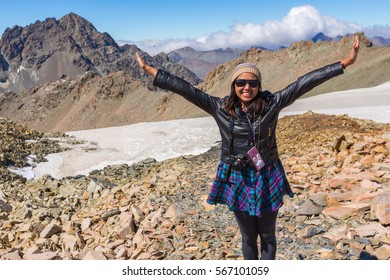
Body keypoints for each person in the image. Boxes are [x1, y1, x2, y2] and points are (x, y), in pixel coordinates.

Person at [136, 35, 360, 260]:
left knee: (268, 235)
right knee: (247, 236)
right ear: (233, 86)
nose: (247, 87)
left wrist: (344, 63)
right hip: (235, 176)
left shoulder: (273, 103)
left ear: (259, 86)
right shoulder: (219, 108)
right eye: (241, 83)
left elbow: (304, 82)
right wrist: (150, 70)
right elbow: (186, 89)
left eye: (253, 83)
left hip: (267, 174)